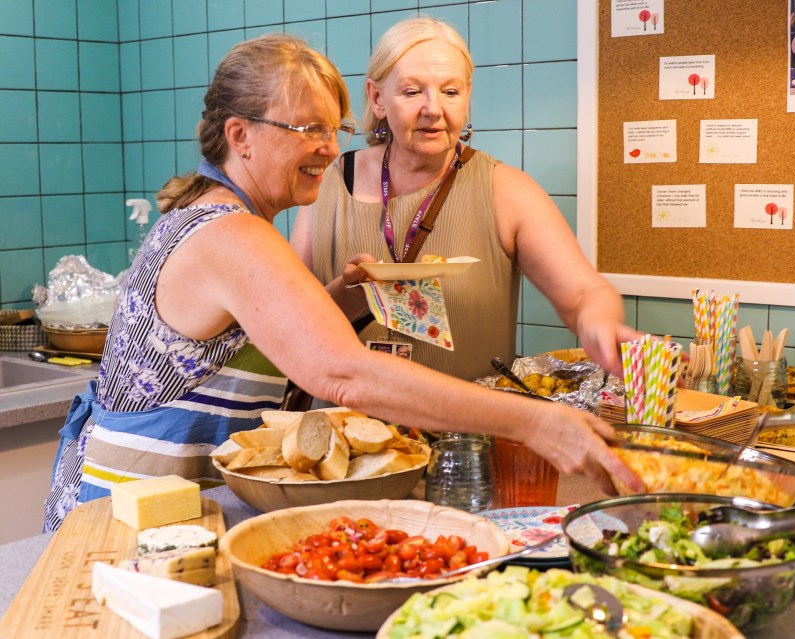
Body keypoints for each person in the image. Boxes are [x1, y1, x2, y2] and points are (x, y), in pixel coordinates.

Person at [42, 33, 640, 533]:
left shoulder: (213, 215)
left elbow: (247, 338)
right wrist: (534, 420)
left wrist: (335, 299)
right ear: (240, 134)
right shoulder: (231, 234)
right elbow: (342, 372)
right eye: (306, 128)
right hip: (129, 516)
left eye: (334, 128)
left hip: (161, 506)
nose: (330, 149)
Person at [291, 16, 643, 383]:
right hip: (340, 430)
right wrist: (344, 294)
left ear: (467, 95)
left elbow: (585, 293)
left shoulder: (507, 190)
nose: (433, 108)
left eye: (451, 92)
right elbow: (289, 315)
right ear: (377, 98)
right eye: (412, 92)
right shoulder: (329, 181)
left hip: (462, 438)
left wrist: (599, 323)